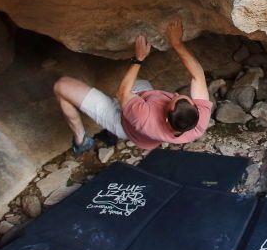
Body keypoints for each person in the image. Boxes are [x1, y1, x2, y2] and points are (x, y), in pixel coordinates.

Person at [53, 17, 212, 154]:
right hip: (143, 107)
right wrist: (176, 43)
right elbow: (197, 75)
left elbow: (122, 93)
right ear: (196, 109)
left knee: (61, 86)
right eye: (179, 96)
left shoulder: (145, 118)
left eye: (173, 99)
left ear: (165, 118)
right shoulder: (198, 122)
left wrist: (139, 58)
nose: (175, 95)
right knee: (140, 84)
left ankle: (81, 141)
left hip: (121, 122)